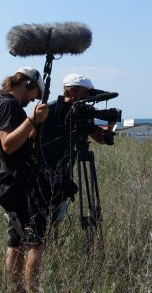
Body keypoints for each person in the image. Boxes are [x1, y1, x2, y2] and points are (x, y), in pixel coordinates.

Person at [0, 67, 49, 293]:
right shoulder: (9, 105)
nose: (33, 100)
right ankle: (31, 290)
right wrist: (31, 119)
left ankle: (15, 289)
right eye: (33, 94)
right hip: (21, 184)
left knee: (15, 242)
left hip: (9, 181)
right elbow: (7, 143)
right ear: (27, 84)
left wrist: (6, 166)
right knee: (36, 242)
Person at [39, 74, 115, 227]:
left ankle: (50, 249)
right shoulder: (50, 110)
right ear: (70, 91)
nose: (87, 97)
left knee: (55, 222)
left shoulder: (83, 112)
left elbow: (100, 139)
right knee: (39, 222)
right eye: (84, 93)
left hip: (62, 174)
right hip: (41, 174)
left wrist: (110, 123)